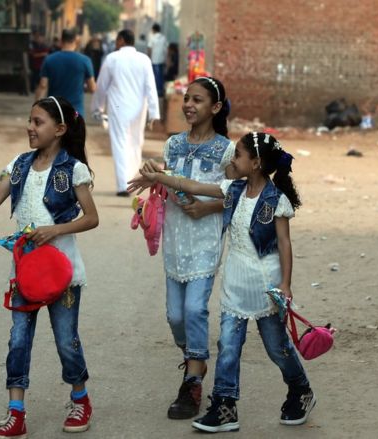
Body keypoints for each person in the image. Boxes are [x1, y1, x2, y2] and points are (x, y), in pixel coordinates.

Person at [129, 131, 315, 433]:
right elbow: (191, 185)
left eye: (239, 155)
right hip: (234, 287)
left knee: (276, 346)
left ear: (254, 163)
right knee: (228, 346)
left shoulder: (275, 200)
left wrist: (286, 285)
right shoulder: (233, 189)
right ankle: (225, 406)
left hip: (265, 287)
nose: (233, 158)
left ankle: (300, 390)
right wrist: (162, 178)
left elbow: (284, 243)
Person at [0, 96, 99, 438]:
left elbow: (92, 217)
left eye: (38, 122)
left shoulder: (72, 169)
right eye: (30, 121)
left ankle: (80, 398)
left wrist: (56, 230)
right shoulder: (19, 165)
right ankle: (16, 414)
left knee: (66, 340)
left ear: (60, 129)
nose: (30, 128)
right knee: (18, 340)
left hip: (64, 274)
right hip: (24, 274)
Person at [126, 76, 234, 420]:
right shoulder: (173, 145)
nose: (188, 104)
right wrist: (152, 172)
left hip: (205, 239)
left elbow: (237, 194)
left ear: (214, 108)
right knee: (175, 315)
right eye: (186, 98)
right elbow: (168, 178)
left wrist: (207, 207)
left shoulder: (226, 150)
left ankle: (192, 379)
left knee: (194, 311)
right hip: (175, 240)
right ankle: (194, 358)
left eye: (197, 100)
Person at [91, 29, 159, 196]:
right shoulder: (144, 59)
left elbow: (101, 86)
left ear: (121, 40)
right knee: (136, 143)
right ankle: (133, 181)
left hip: (119, 107)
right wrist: (154, 113)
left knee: (120, 143)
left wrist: (97, 108)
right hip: (138, 109)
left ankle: (123, 185)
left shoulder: (112, 58)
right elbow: (151, 87)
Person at [35, 28, 96, 118]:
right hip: (76, 112)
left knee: (55, 131)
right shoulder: (85, 61)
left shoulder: (49, 59)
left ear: (61, 40)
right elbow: (92, 88)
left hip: (54, 110)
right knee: (75, 131)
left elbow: (43, 85)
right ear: (76, 40)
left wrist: (37, 108)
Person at [147, 23, 168, 97]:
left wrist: (149, 57)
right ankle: (161, 91)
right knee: (161, 76)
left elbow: (149, 48)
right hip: (161, 59)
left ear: (153, 29)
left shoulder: (152, 38)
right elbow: (166, 49)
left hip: (154, 60)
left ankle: (156, 91)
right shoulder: (163, 38)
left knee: (155, 76)